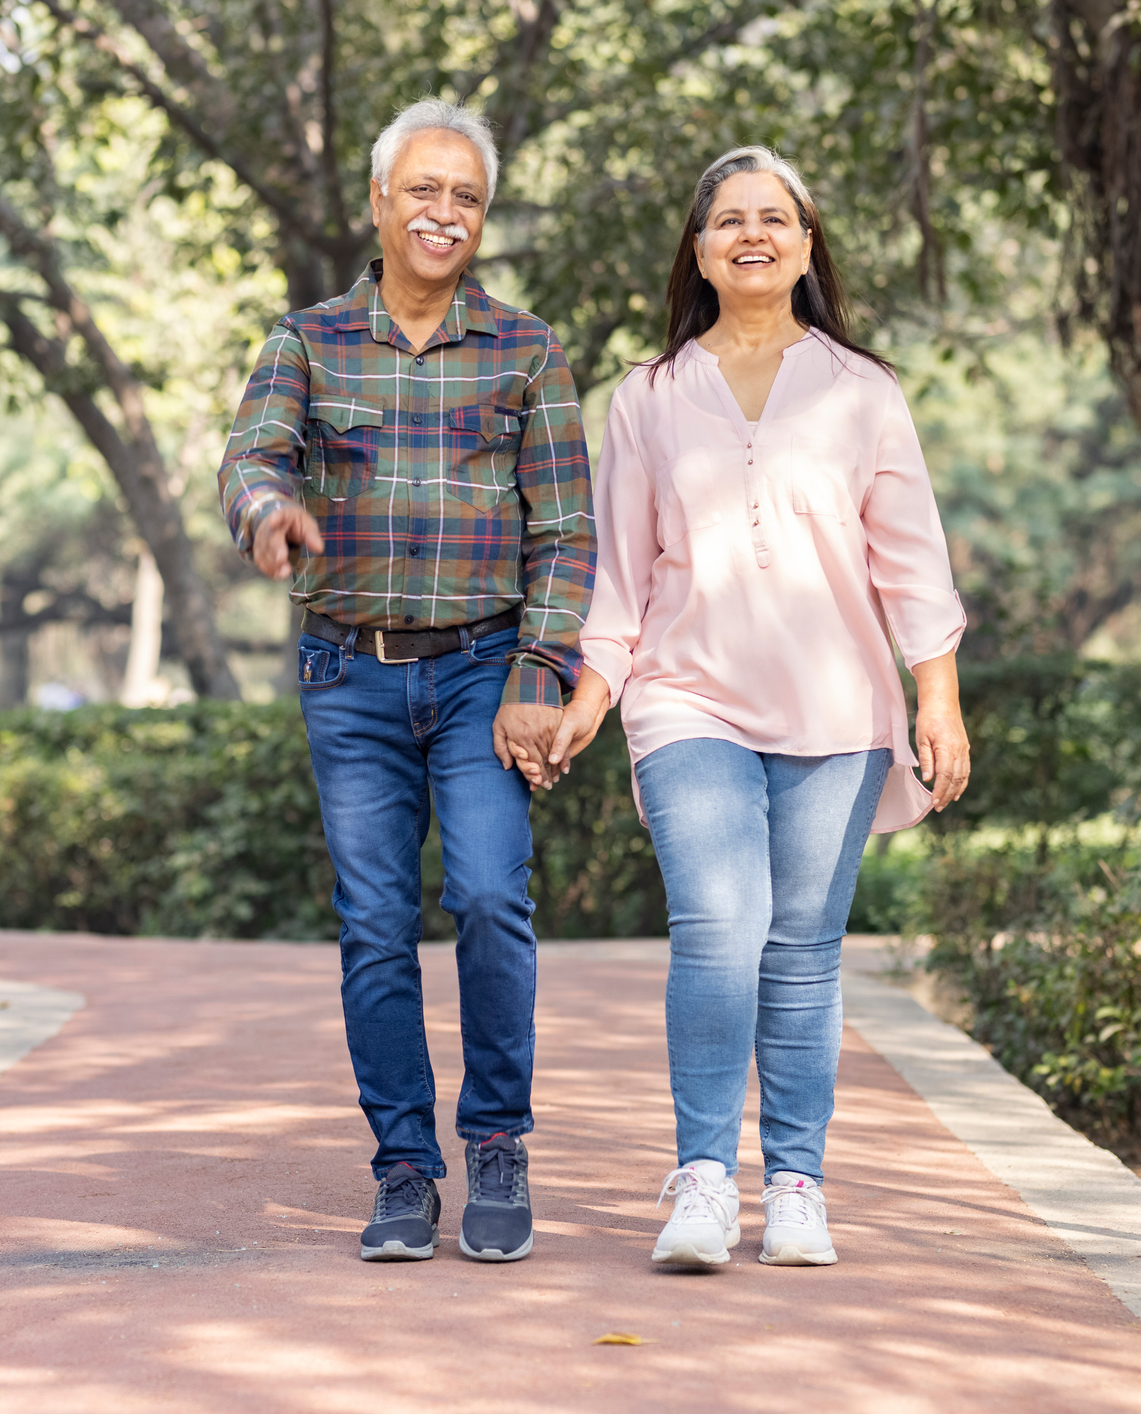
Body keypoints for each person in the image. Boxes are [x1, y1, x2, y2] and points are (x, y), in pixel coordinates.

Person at [535, 146, 970, 1268]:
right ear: (698, 251)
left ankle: (795, 1183)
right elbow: (619, 574)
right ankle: (699, 1180)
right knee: (719, 932)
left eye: (773, 218)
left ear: (806, 244)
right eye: (727, 219)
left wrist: (937, 696)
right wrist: (589, 695)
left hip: (835, 708)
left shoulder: (863, 390)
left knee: (801, 950)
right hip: (688, 699)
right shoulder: (644, 398)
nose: (751, 234)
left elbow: (909, 561)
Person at [217, 100, 595, 1264]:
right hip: (349, 674)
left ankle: (494, 1141)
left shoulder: (525, 350)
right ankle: (401, 1167)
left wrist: (540, 669)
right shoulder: (307, 341)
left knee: (487, 897)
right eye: (423, 192)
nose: (444, 215)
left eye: (465, 198)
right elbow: (249, 457)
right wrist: (268, 513)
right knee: (376, 924)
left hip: (486, 669)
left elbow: (569, 529)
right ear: (378, 203)